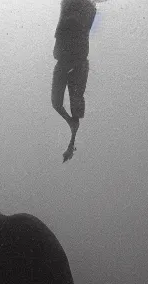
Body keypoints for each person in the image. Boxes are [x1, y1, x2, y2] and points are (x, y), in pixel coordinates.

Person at [51, 0, 97, 163]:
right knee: (56, 103)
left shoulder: (88, 8)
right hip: (65, 60)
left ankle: (72, 138)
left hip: (78, 62)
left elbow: (88, 27)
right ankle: (72, 131)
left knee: (75, 103)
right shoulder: (70, 4)